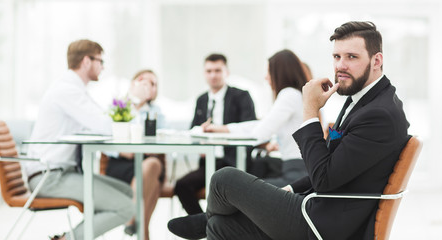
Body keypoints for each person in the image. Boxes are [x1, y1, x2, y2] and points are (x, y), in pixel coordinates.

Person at [167, 21, 410, 240]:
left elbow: (324, 179)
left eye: (351, 57)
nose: (340, 65)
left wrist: (309, 111)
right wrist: (291, 188)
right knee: (220, 225)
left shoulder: (379, 114)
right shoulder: (366, 101)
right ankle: (208, 219)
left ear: (376, 60)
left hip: (322, 223)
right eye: (336, 57)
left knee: (223, 179)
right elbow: (334, 164)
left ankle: (204, 219)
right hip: (320, 206)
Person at [22, 39, 135, 240]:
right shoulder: (68, 91)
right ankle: (68, 239)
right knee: (125, 208)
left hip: (60, 173)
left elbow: (100, 123)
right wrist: (133, 99)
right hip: (50, 178)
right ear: (86, 61)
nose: (102, 67)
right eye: (100, 61)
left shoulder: (75, 90)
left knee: (126, 191)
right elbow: (105, 125)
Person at [202, 49, 309, 187]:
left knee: (235, 188)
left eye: (269, 72)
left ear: (279, 73)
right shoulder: (294, 95)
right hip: (294, 169)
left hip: (295, 174)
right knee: (244, 181)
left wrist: (223, 129)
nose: (266, 77)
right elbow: (260, 125)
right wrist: (220, 129)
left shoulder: (288, 95)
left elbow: (260, 133)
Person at [174, 53, 257, 215]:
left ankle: (218, 229)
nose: (213, 75)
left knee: (224, 191)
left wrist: (218, 128)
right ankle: (205, 228)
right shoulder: (202, 100)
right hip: (208, 162)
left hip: (234, 162)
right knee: (182, 186)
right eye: (209, 71)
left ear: (226, 72)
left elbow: (250, 128)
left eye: (217, 70)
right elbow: (193, 131)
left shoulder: (241, 96)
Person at [105, 69, 166, 239]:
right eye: (144, 82)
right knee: (151, 182)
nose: (148, 87)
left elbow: (161, 138)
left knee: (152, 166)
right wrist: (123, 151)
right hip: (122, 165)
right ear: (134, 83)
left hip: (148, 163)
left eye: (153, 84)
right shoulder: (120, 107)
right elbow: (105, 137)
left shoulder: (156, 112)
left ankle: (132, 217)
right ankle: (142, 229)